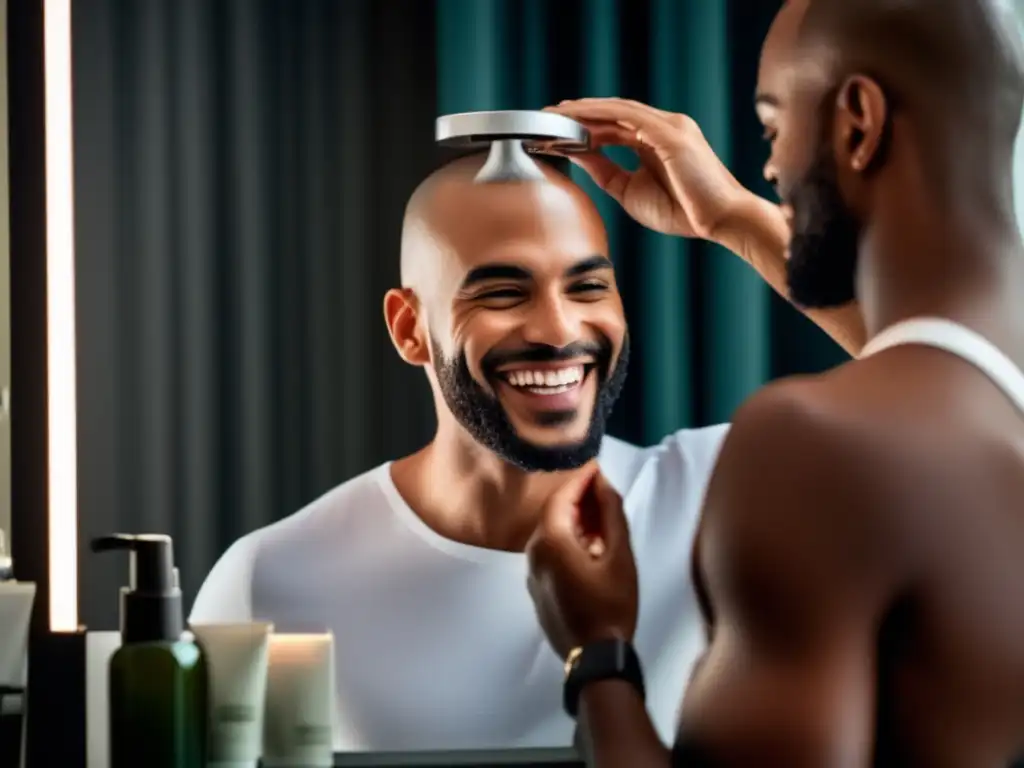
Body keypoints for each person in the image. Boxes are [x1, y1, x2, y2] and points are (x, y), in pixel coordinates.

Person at [189, 144, 860, 748]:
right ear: (408, 328)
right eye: (505, 293)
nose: (559, 329)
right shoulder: (271, 579)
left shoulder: (724, 493)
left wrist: (734, 220)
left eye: (588, 286)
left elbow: (953, 379)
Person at [527, 0, 1024, 765]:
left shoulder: (815, 447)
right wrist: (728, 216)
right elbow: (941, 364)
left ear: (858, 121)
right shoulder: (984, 404)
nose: (769, 168)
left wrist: (597, 654)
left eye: (772, 127)